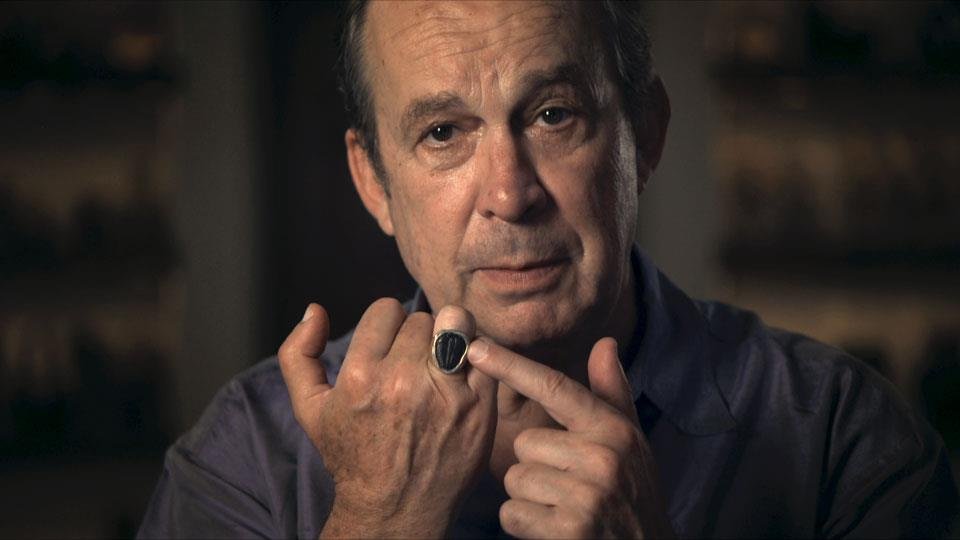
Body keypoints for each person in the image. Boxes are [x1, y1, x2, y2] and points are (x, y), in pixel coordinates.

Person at [138, 1, 959, 538]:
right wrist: (377, 520)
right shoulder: (242, 461)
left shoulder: (842, 442)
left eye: (553, 114)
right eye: (443, 133)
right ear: (373, 182)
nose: (510, 194)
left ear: (645, 135)